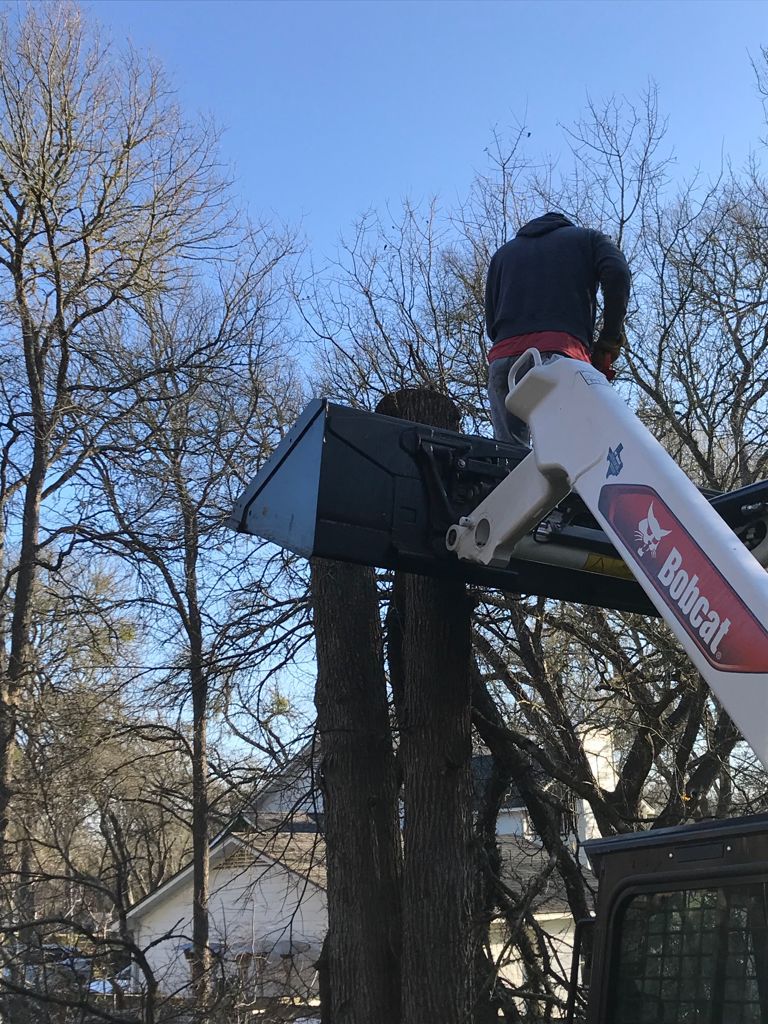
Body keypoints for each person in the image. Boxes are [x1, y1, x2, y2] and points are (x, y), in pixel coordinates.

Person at [485, 211, 631, 445]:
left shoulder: (502, 254)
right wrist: (610, 337)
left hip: (503, 362)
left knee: (509, 461)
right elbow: (618, 272)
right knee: (569, 454)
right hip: (559, 355)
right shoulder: (589, 239)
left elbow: (491, 322)